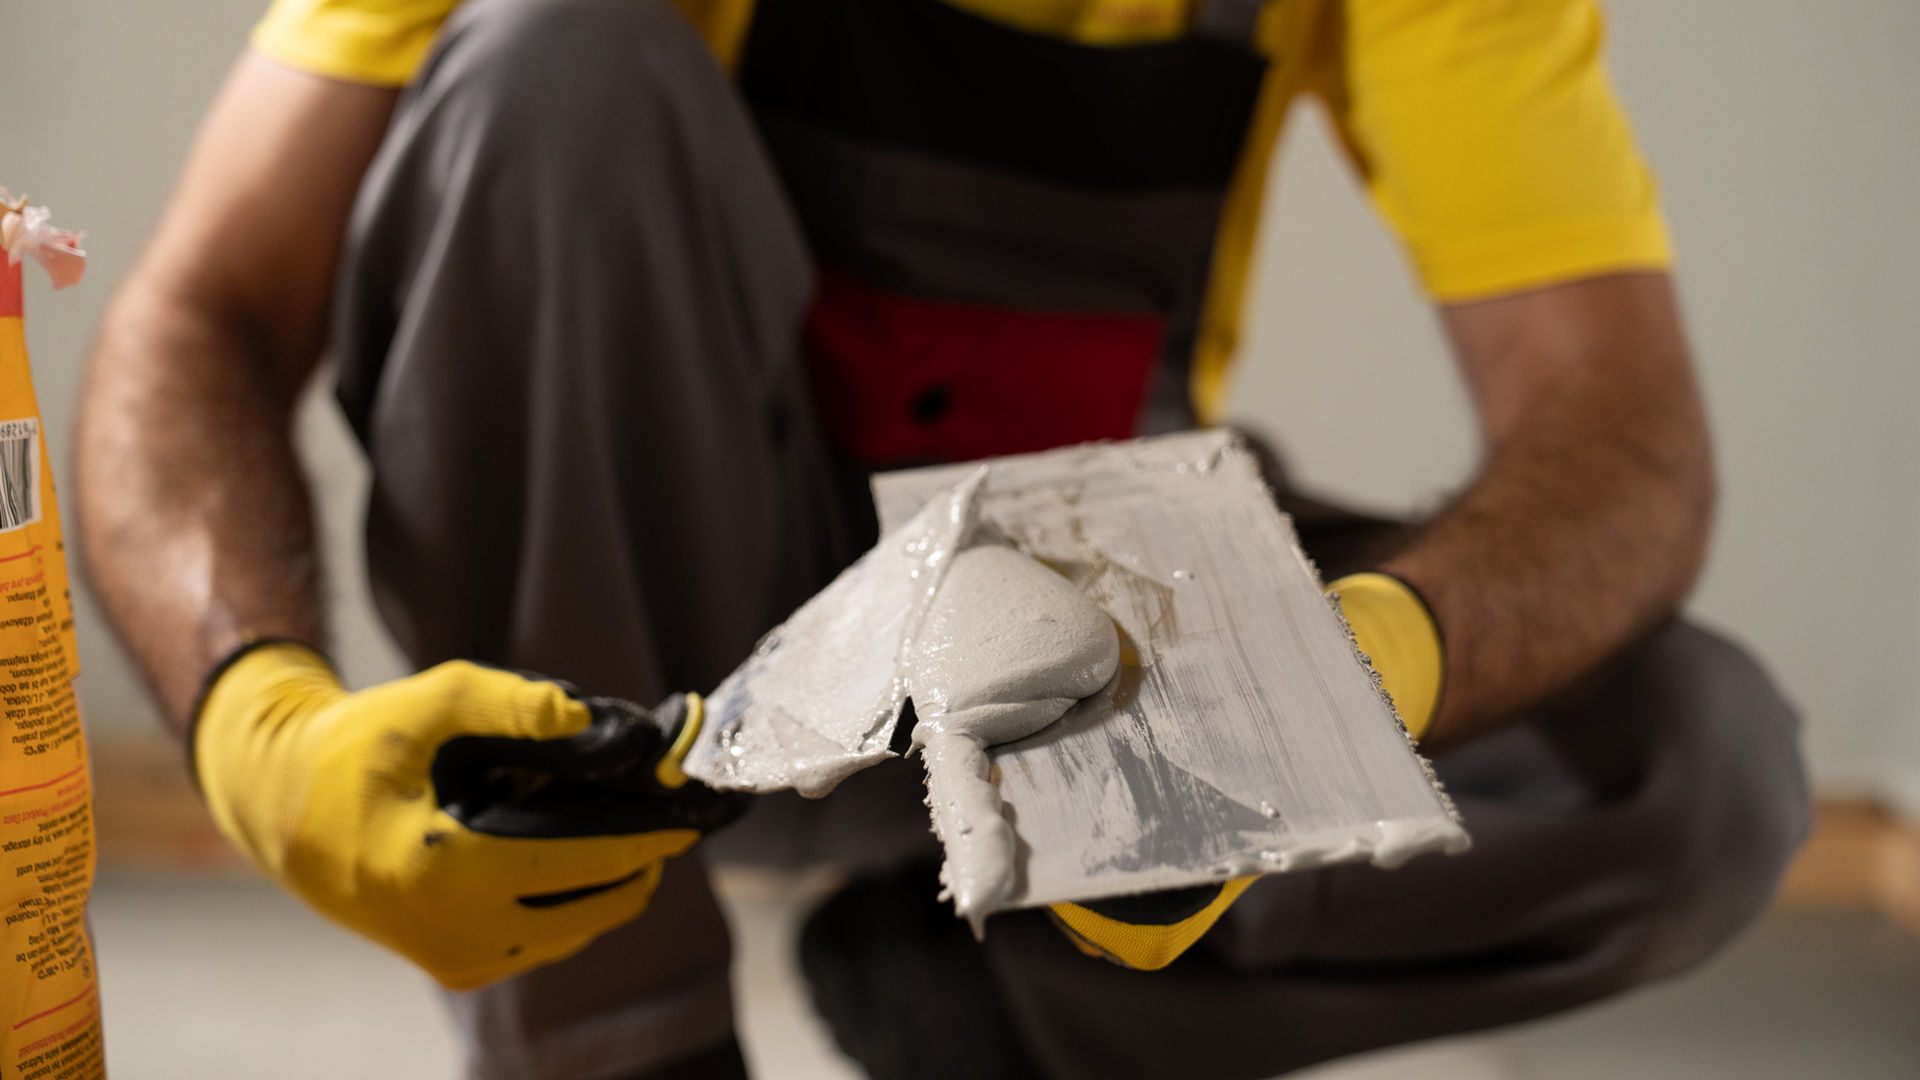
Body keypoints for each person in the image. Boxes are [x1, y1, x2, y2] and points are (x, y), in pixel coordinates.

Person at [75, 0, 1809, 1077]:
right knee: (555, 63)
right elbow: (201, 311)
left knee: (1687, 767)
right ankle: (608, 1047)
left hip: (1098, 676)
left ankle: (995, 1008)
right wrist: (253, 716)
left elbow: (1622, 435)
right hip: (687, 650)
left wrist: (1349, 673)